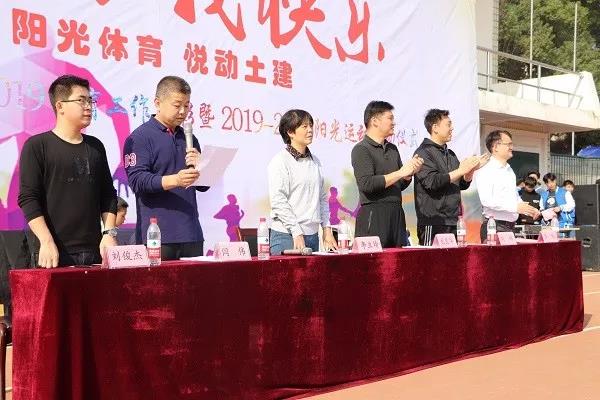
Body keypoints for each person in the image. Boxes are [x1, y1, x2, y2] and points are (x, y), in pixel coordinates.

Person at [18, 74, 117, 267]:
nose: (88, 106)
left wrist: (109, 233)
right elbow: (28, 198)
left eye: (90, 100)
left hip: (94, 252)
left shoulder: (96, 146)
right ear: (60, 106)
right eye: (81, 100)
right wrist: (46, 241)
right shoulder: (37, 146)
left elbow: (108, 194)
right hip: (52, 253)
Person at [124, 76, 208, 260]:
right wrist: (176, 180)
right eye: (177, 105)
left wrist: (203, 166)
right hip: (157, 235)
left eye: (187, 105)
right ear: (158, 103)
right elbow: (137, 181)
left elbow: (203, 186)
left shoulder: (189, 138)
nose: (183, 111)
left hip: (191, 233)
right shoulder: (140, 137)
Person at [351, 101, 424, 247]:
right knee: (375, 260)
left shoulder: (392, 149)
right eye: (390, 118)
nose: (393, 123)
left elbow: (399, 184)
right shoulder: (361, 149)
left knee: (398, 258)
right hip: (374, 216)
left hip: (396, 215)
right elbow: (367, 184)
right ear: (375, 121)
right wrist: (400, 173)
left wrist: (409, 174)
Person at [267, 109, 337, 255]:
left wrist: (327, 229)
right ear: (290, 132)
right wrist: (296, 231)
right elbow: (278, 200)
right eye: (304, 126)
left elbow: (322, 198)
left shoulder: (315, 161)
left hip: (312, 236)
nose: (310, 130)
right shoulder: (280, 161)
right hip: (286, 235)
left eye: (311, 125)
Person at [413, 109, 486, 246]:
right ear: (435, 128)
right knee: (432, 259)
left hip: (453, 220)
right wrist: (461, 170)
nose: (452, 128)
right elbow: (432, 182)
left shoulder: (450, 154)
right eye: (448, 124)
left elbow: (462, 184)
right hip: (433, 221)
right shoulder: (423, 152)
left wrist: (470, 170)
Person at [475, 130, 540, 243]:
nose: (512, 147)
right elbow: (487, 201)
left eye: (511, 144)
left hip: (511, 228)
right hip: (494, 228)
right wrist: (515, 207)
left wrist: (529, 209)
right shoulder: (486, 169)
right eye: (508, 144)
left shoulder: (509, 170)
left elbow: (514, 197)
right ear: (495, 147)